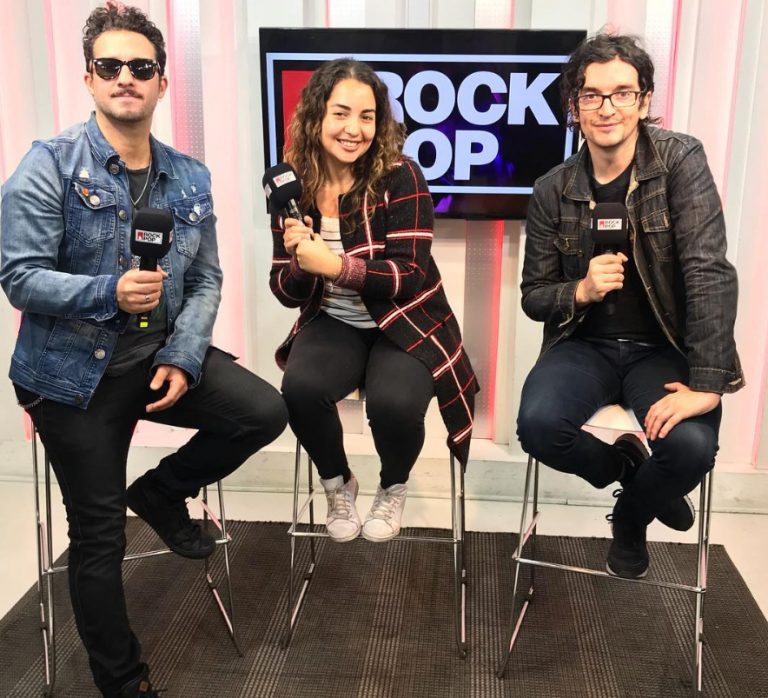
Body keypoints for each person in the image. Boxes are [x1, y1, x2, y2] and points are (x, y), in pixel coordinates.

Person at [0, 4, 288, 696]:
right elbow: (19, 277)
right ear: (89, 78)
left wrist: (183, 356)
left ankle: (160, 490)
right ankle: (124, 683)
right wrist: (109, 292)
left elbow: (207, 278)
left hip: (157, 357)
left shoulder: (189, 176)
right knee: (99, 535)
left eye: (140, 66)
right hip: (70, 376)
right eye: (110, 66)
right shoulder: (49, 166)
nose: (125, 76)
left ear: (161, 81)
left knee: (264, 412)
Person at [516, 33, 743, 579]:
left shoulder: (679, 160)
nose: (607, 108)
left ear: (644, 101)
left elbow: (708, 271)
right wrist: (580, 291)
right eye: (591, 95)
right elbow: (534, 296)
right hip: (584, 347)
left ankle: (631, 516)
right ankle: (623, 467)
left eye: (622, 93)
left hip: (663, 348)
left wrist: (708, 383)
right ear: (574, 106)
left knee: (690, 446)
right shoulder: (552, 189)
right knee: (539, 425)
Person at [269, 58, 477, 544]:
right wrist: (300, 261)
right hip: (333, 320)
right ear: (317, 116)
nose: (354, 129)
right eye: (341, 113)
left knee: (394, 404)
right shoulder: (291, 184)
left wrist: (334, 266)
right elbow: (284, 291)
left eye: (367, 117)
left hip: (407, 319)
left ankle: (392, 486)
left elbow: (409, 275)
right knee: (300, 388)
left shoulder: (401, 176)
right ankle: (338, 483)